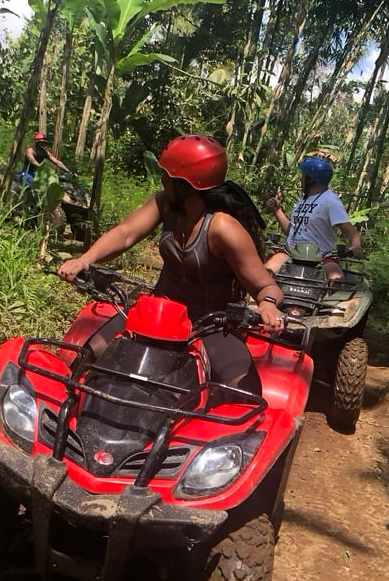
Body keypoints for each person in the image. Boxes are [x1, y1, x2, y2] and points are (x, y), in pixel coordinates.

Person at [57, 134, 285, 395]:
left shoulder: (223, 228)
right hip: (157, 314)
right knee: (88, 356)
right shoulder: (166, 203)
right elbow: (126, 232)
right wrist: (85, 260)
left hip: (208, 325)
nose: (162, 180)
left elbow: (265, 284)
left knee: (244, 395)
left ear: (186, 184)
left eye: (167, 175)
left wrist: (267, 304)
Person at [263, 155, 363, 281]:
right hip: (291, 253)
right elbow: (291, 231)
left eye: (304, 176)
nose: (301, 179)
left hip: (321, 257)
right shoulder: (303, 200)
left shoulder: (330, 200)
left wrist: (355, 246)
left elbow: (351, 231)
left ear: (311, 179)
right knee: (266, 272)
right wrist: (276, 210)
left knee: (337, 280)